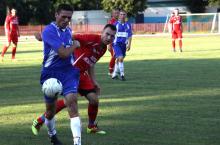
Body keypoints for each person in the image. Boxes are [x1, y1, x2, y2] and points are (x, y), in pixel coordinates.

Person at [32, 24, 116, 138]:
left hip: (82, 74)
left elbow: (91, 63)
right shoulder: (92, 39)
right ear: (102, 32)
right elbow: (70, 37)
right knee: (69, 101)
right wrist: (43, 37)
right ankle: (40, 120)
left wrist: (94, 81)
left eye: (112, 36)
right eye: (107, 34)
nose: (109, 38)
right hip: (71, 71)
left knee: (94, 100)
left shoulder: (103, 49)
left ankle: (91, 127)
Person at [39, 4, 82, 145]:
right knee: (50, 112)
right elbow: (63, 53)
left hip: (68, 72)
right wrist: (75, 45)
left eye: (69, 18)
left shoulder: (68, 30)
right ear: (56, 15)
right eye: (63, 16)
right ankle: (52, 135)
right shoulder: (49, 30)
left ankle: (77, 142)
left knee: (72, 102)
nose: (66, 20)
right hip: (50, 74)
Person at [111, 10, 132, 81]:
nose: (122, 16)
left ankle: (114, 74)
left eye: (124, 14)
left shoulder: (128, 24)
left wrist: (129, 44)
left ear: (125, 16)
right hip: (116, 44)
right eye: (121, 14)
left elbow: (129, 35)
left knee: (119, 59)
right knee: (120, 58)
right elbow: (111, 34)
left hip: (124, 45)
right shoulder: (115, 24)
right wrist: (109, 44)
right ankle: (122, 75)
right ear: (119, 15)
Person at [107, 8, 120, 76]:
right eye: (115, 13)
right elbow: (109, 33)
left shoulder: (118, 21)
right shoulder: (112, 22)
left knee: (117, 56)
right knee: (115, 56)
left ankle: (115, 70)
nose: (117, 14)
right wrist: (109, 44)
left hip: (117, 42)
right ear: (112, 14)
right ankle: (111, 71)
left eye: (118, 13)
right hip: (112, 43)